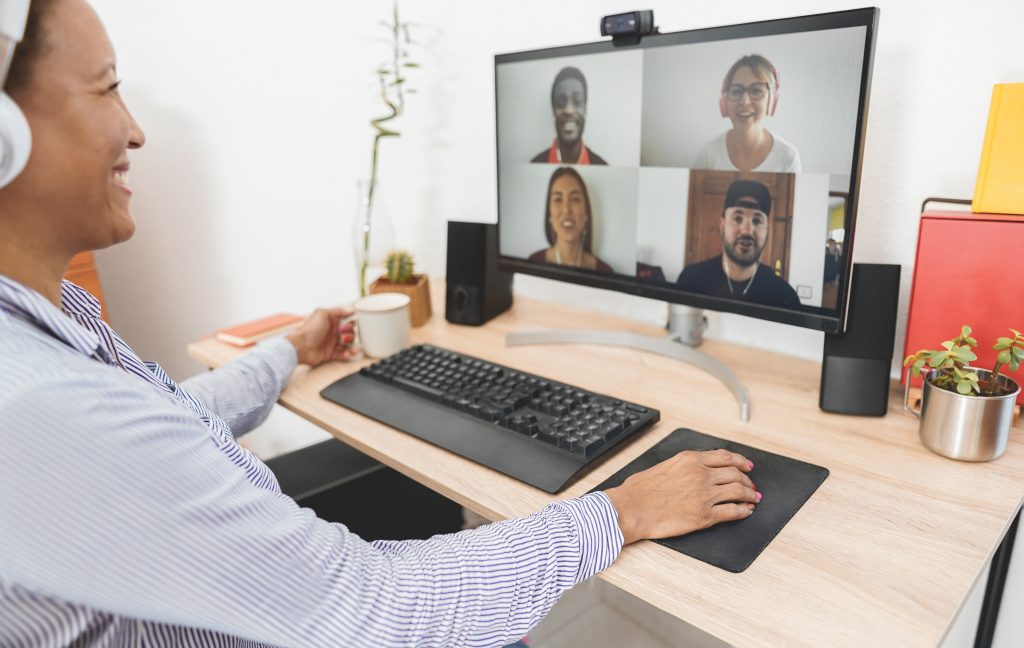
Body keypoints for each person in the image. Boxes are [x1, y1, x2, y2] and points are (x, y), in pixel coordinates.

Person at [0, 2, 760, 645]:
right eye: (106, 90)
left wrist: (286, 352)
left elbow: (160, 433)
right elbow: (372, 606)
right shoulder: (37, 401)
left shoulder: (50, 326)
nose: (136, 133)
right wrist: (621, 511)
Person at [676, 179, 802, 309]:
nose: (746, 231)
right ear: (722, 225)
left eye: (757, 220)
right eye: (737, 218)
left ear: (767, 230)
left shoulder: (784, 298)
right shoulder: (690, 281)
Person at [693, 54, 801, 173]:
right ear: (725, 102)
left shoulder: (788, 158)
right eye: (736, 91)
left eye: (756, 90)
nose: (745, 102)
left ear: (771, 100)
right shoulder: (708, 154)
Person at [528, 167, 613, 273]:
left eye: (575, 199)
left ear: (586, 213)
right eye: (558, 199)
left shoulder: (605, 272)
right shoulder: (533, 263)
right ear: (549, 215)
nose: (566, 210)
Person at [531, 66, 607, 165]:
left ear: (585, 109)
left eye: (577, 101)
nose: (569, 110)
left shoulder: (603, 168)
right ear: (553, 110)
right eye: (561, 102)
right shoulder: (535, 165)